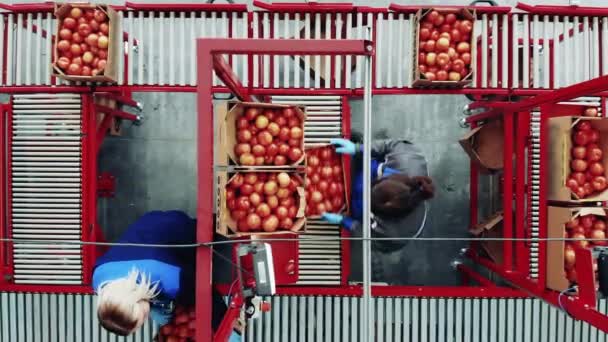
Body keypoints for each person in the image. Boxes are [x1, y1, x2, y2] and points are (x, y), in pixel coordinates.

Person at [92, 210, 241, 341]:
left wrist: (229, 327)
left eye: (143, 318)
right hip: (146, 224)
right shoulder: (99, 278)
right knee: (164, 311)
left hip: (174, 226)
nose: (146, 319)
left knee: (206, 233)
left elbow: (204, 293)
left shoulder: (169, 277)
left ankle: (228, 219)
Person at [321, 138, 435, 281]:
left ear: (387, 213)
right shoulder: (407, 159)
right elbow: (389, 144)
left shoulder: (394, 235)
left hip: (358, 214)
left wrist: (344, 221)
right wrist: (358, 148)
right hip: (362, 172)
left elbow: (366, 236)